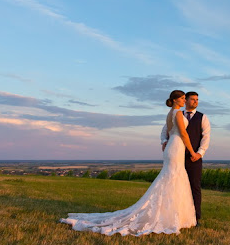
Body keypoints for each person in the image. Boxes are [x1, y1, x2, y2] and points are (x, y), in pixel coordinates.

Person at [60, 90, 196, 235]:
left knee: (171, 178)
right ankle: (171, 217)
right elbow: (183, 133)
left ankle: (173, 215)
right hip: (176, 146)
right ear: (175, 100)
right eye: (182, 98)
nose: (184, 101)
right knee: (173, 178)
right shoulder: (178, 113)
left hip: (172, 146)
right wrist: (192, 151)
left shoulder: (170, 114)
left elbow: (169, 132)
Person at [161, 91, 210, 225]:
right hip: (177, 154)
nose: (195, 102)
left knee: (194, 186)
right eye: (192, 99)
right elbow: (166, 130)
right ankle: (174, 214)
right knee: (176, 184)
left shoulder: (202, 117)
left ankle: (195, 217)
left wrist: (199, 153)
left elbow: (206, 137)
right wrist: (164, 141)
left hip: (193, 157)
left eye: (197, 100)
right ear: (185, 100)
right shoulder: (177, 113)